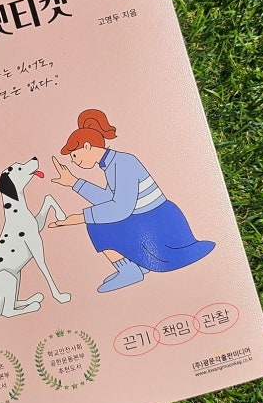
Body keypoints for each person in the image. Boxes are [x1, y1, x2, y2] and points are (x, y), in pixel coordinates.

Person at [49, 109, 215, 292]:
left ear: (87, 146)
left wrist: (80, 217)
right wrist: (74, 182)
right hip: (147, 218)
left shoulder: (122, 163)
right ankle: (135, 264)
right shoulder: (111, 164)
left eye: (74, 155)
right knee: (100, 218)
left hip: (158, 223)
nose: (74, 161)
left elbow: (121, 209)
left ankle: (129, 270)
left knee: (97, 225)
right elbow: (108, 200)